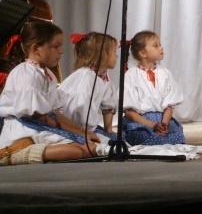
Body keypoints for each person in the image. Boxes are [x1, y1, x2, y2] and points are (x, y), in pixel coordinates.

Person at [0, 21, 102, 166]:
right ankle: (16, 153)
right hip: (24, 129)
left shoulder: (46, 74)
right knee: (80, 151)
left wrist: (83, 131)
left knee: (90, 147)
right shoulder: (27, 73)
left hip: (39, 124)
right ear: (36, 48)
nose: (61, 51)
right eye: (55, 46)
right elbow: (40, 117)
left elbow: (55, 113)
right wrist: (78, 134)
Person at [122, 30, 185, 145]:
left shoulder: (165, 73)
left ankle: (162, 137)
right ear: (143, 53)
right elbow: (130, 112)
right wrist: (153, 125)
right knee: (143, 136)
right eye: (156, 46)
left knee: (177, 136)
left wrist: (164, 123)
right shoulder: (131, 75)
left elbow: (169, 106)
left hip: (162, 119)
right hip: (142, 121)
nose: (161, 48)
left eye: (160, 44)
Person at [58, 32, 119, 140]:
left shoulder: (103, 77)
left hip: (86, 127)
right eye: (114, 51)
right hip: (74, 127)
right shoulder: (86, 78)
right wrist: (87, 132)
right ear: (101, 54)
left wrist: (108, 130)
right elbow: (80, 111)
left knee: (117, 140)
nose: (117, 56)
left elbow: (109, 104)